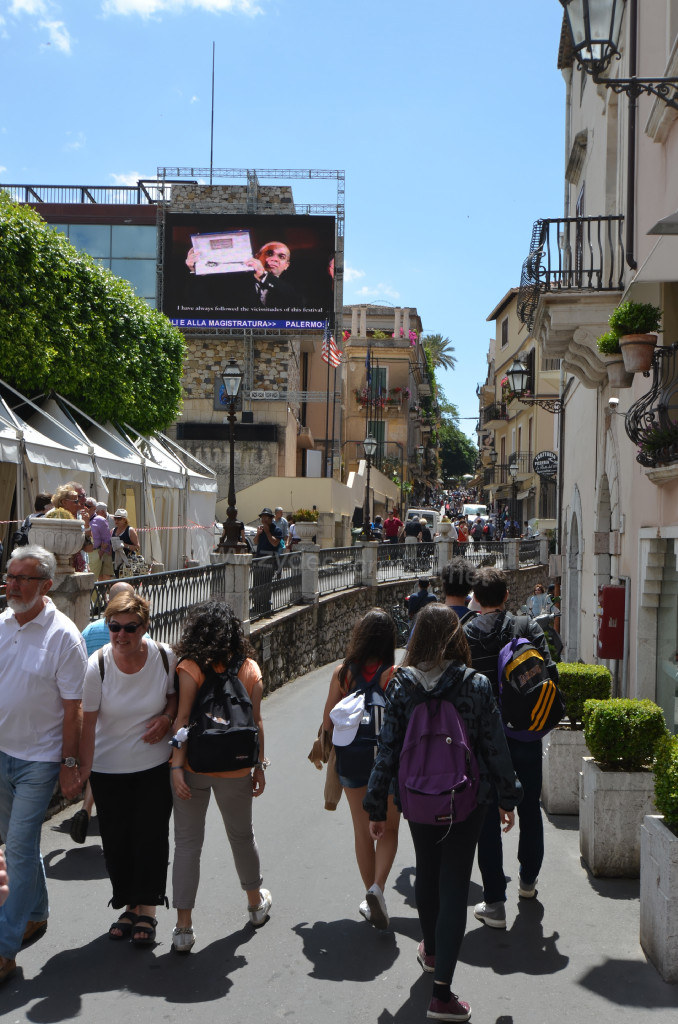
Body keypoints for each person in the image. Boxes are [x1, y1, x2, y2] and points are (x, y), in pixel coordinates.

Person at [364, 603, 520, 1023]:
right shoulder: (476, 685)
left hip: (416, 799)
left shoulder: (401, 687)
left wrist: (376, 804)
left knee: (428, 873)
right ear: (457, 637)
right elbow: (494, 747)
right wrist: (509, 796)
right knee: (454, 882)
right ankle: (442, 995)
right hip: (467, 799)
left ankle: (431, 951)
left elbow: (387, 752)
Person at [0, 545, 87, 984]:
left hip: (38, 760)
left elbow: (74, 706)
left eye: (22, 579)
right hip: (0, 754)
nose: (11, 584)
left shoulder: (64, 636)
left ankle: (3, 948)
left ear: (46, 586)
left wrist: (70, 763)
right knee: (15, 844)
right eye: (11, 576)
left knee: (15, 848)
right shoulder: (0, 625)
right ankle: (35, 912)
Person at [170, 601, 271, 952]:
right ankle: (256, 904)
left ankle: (183, 928)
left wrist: (176, 766)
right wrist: (259, 766)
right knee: (242, 836)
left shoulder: (189, 667)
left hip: (195, 766)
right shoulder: (250, 668)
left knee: (186, 844)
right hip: (238, 765)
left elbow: (182, 721)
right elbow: (256, 723)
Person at [79, 591, 177, 945]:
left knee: (150, 836)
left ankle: (147, 908)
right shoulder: (98, 665)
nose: (121, 635)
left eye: (130, 628)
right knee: (118, 842)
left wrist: (167, 718)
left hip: (152, 765)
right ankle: (128, 904)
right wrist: (81, 769)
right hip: (108, 769)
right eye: (114, 627)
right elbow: (87, 724)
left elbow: (173, 696)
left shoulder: (164, 657)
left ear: (145, 626)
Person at [462, 567, 556, 928]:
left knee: (486, 813)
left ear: (477, 598)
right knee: (530, 807)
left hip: (484, 740)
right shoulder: (527, 627)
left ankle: (494, 902)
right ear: (505, 597)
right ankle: (528, 881)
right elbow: (550, 672)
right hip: (525, 734)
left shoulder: (466, 634)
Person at [322, 608, 399, 929]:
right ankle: (377, 889)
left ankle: (370, 893)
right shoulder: (394, 673)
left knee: (362, 831)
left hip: (352, 762)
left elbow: (327, 723)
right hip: (388, 761)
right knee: (390, 829)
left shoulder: (343, 674)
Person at [111, 508, 140, 578]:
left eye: (119, 519)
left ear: (124, 520)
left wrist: (124, 545)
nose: (116, 521)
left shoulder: (130, 531)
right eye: (115, 519)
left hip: (128, 562)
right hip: (116, 562)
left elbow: (137, 547)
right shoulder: (113, 530)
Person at [89, 502, 114, 581]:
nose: (95, 513)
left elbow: (108, 538)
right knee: (99, 576)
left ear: (102, 511)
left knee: (106, 575)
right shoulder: (92, 519)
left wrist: (102, 551)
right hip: (97, 552)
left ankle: (107, 592)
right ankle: (101, 593)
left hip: (107, 551)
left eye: (96, 511)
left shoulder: (112, 519)